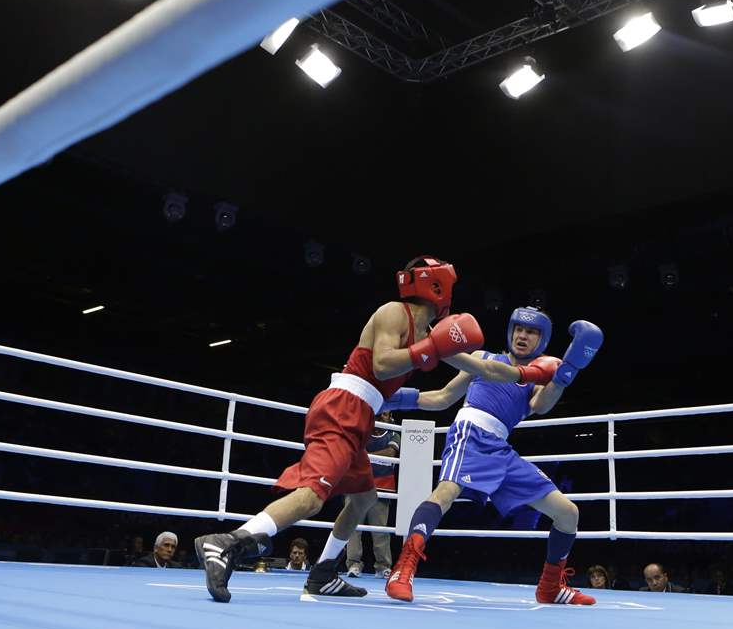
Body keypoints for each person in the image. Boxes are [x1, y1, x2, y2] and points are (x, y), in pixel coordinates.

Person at [195, 256, 531, 603]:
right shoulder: (393, 313)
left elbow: (452, 391)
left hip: (363, 412)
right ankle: (227, 542)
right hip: (343, 407)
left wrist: (529, 374)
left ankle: (323, 573)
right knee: (312, 496)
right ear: (438, 288)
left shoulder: (430, 336)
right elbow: (382, 365)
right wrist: (429, 350)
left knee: (363, 499)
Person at [384, 308, 603, 606]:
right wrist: (400, 398)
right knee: (446, 492)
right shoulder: (484, 357)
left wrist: (564, 377)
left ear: (542, 339)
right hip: (470, 433)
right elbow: (444, 397)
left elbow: (541, 405)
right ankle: (402, 571)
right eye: (519, 329)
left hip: (501, 449)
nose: (522, 336)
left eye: (531, 332)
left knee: (568, 513)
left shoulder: (540, 373)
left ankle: (550, 588)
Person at [345, 410, 400, 578]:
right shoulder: (362, 430)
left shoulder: (394, 434)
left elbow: (390, 454)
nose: (381, 417)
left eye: (384, 415)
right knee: (352, 527)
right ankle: (353, 564)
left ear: (390, 417)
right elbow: (353, 452)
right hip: (357, 484)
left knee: (380, 529)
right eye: (379, 414)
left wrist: (364, 456)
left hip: (382, 487)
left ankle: (383, 566)